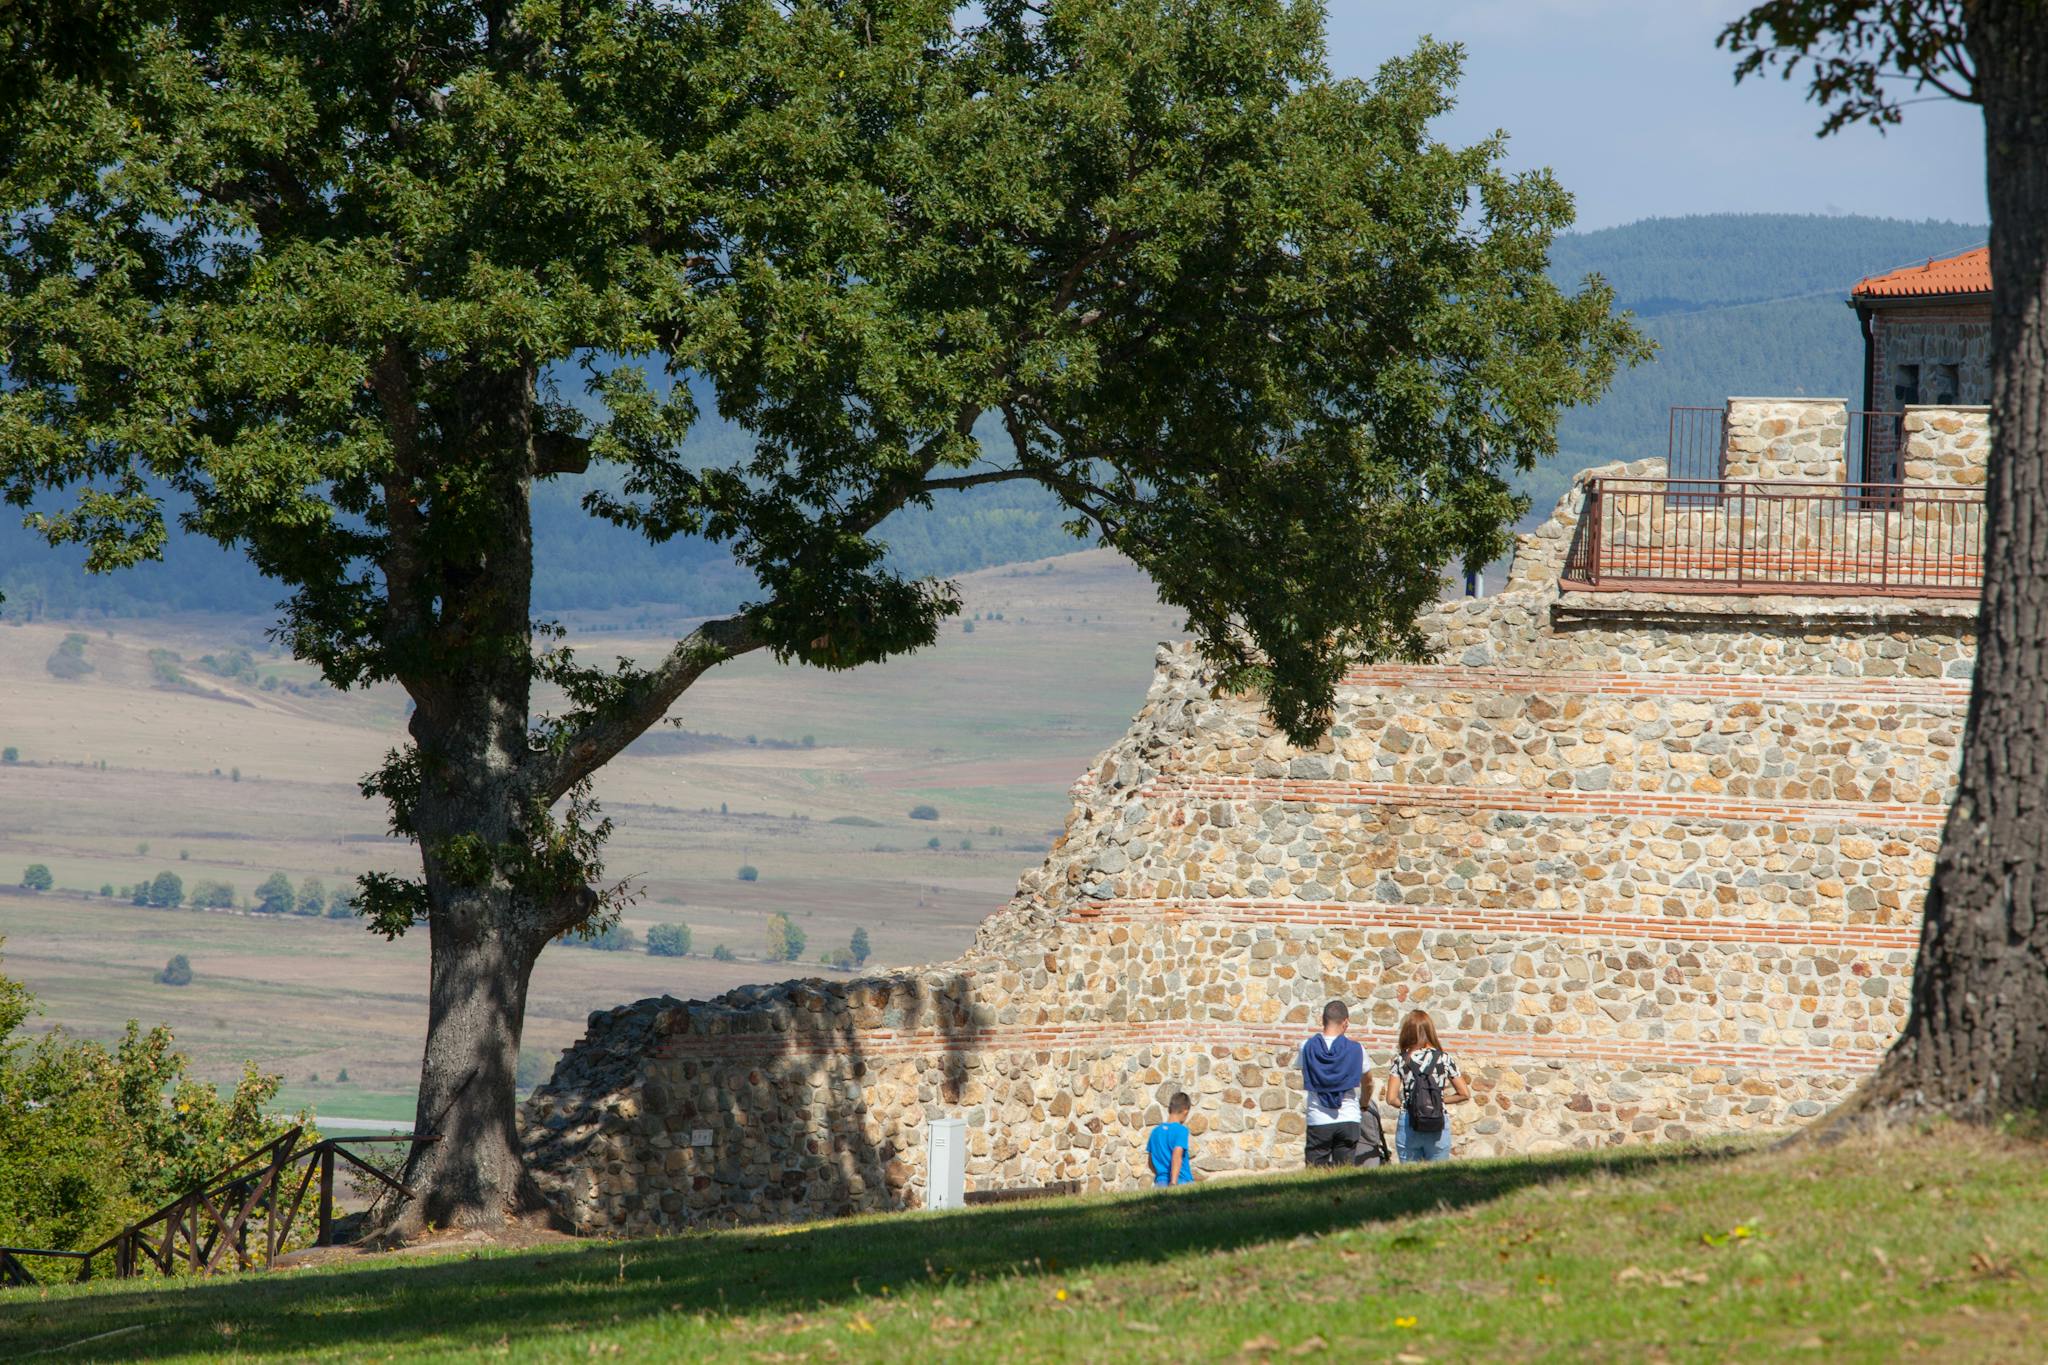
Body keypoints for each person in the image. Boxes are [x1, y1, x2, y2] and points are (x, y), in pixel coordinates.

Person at [1382, 1008, 1471, 1162]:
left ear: (1407, 1032)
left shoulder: (1401, 1060)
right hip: (1437, 1121)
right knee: (1439, 1178)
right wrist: (1439, 1100)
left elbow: (1391, 1098)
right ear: (1430, 1031)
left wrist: (1409, 1104)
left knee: (1409, 1178)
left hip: (1409, 1121)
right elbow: (1464, 1093)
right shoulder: (1444, 1059)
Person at [1299, 999, 1369, 1166]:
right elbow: (1368, 1081)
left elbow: (1304, 1070)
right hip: (1348, 1117)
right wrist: (1364, 1102)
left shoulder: (1306, 1047)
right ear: (1345, 1022)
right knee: (1344, 1174)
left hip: (1319, 1118)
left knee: (1316, 1176)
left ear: (1322, 1020)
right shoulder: (1357, 1049)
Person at [1147, 1092, 1195, 1186]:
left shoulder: (1155, 1132)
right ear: (1186, 1111)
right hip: (1181, 1181)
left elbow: (1150, 1161)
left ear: (1170, 1109)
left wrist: (1161, 1174)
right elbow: (1177, 1155)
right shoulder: (1181, 1130)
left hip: (1160, 1183)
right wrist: (1173, 1182)